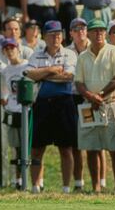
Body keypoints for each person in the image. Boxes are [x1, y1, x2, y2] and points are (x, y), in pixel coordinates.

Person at [74, 18, 115, 195]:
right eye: (95, 30)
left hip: (112, 103)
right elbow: (79, 83)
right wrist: (91, 96)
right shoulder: (82, 56)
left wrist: (100, 96)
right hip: (90, 105)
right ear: (88, 33)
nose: (99, 34)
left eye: (102, 30)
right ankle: (96, 187)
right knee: (92, 147)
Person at [25, 21, 77, 194]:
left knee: (66, 147)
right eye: (52, 34)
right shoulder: (35, 55)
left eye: (59, 34)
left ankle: (66, 188)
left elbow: (68, 76)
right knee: (37, 148)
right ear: (44, 36)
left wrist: (43, 75)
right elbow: (29, 74)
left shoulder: (69, 54)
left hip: (64, 103)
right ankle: (35, 186)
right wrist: (52, 69)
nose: (56, 37)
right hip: (42, 104)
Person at [0, 38, 28, 189]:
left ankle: (30, 180)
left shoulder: (27, 66)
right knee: (15, 148)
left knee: (27, 147)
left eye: (12, 48)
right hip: (12, 110)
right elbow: (3, 87)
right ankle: (18, 180)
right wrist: (4, 98)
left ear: (18, 49)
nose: (10, 52)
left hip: (25, 111)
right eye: (6, 49)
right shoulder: (5, 70)